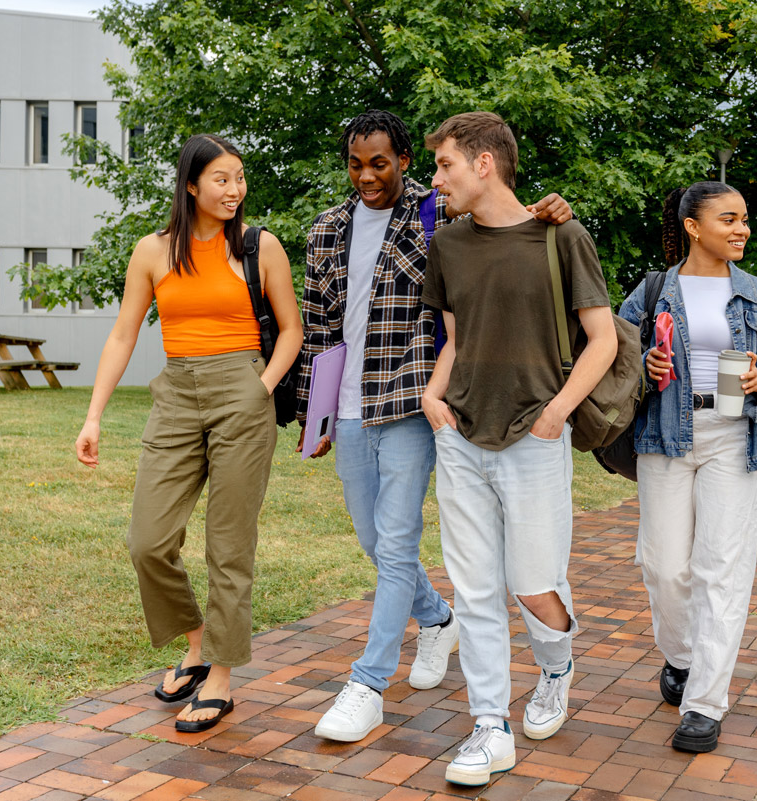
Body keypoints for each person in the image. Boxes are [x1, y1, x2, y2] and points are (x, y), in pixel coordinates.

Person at [300, 110, 572, 743]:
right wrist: (313, 413)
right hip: (345, 403)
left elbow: (502, 218)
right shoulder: (325, 230)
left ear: (402, 160)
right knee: (373, 540)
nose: (367, 176)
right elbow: (318, 328)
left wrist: (550, 209)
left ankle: (367, 684)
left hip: (408, 400)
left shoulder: (435, 213)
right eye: (355, 164)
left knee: (395, 543)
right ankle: (436, 616)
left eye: (381, 163)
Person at [75, 134, 302, 733]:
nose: (235, 190)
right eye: (222, 179)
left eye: (240, 178)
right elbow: (124, 335)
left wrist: (260, 387)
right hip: (175, 393)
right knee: (148, 541)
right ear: (192, 186)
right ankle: (197, 643)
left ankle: (221, 678)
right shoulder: (153, 252)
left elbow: (292, 330)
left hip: (242, 390)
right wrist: (93, 415)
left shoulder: (260, 247)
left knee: (228, 546)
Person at [420, 111, 617, 786]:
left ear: (483, 164)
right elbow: (457, 335)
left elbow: (604, 338)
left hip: (535, 432)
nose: (435, 177)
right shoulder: (445, 244)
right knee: (474, 589)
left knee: (532, 585)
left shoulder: (561, 236)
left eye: (445, 164)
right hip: (461, 432)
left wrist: (558, 411)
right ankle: (488, 726)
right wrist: (433, 399)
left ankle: (557, 666)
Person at [618, 182, 757, 753]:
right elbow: (611, 361)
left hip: (734, 437)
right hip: (664, 435)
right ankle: (681, 658)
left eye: (745, 218)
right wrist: (642, 366)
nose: (742, 229)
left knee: (721, 569)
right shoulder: (651, 294)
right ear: (694, 226)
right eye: (729, 219)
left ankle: (704, 704)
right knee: (664, 566)